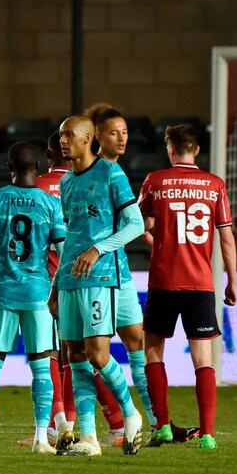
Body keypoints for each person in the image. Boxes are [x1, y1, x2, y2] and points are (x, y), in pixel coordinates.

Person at [48, 116, 144, 456]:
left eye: (69, 135)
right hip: (71, 279)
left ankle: (131, 416)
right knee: (75, 355)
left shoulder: (110, 173)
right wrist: (56, 285)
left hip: (101, 278)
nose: (63, 140)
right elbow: (72, 238)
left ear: (88, 138)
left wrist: (98, 248)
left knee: (98, 354)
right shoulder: (68, 183)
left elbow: (135, 224)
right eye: (61, 135)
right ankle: (88, 438)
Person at [138, 124, 237, 450]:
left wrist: (156, 240)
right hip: (199, 284)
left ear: (170, 148)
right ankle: (207, 434)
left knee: (152, 351)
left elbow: (136, 222)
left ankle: (164, 426)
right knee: (203, 359)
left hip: (164, 280)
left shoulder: (155, 181)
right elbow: (225, 237)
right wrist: (232, 280)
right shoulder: (214, 185)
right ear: (196, 150)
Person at [0, 141, 66, 455]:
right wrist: (59, 288)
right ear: (39, 168)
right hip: (39, 294)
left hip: (3, 291)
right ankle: (42, 437)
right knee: (42, 366)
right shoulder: (49, 204)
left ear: (8, 167)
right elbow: (63, 250)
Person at [82, 103, 156, 447]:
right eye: (114, 132)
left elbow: (126, 223)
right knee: (93, 351)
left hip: (121, 273)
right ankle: (118, 418)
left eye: (125, 132)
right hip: (95, 278)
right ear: (97, 136)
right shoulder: (91, 174)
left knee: (135, 343)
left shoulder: (116, 174)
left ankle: (155, 419)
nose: (122, 138)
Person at [31, 133, 76, 446]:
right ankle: (71, 421)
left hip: (43, 281)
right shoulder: (85, 183)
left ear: (49, 155)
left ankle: (56, 422)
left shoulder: (36, 187)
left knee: (48, 352)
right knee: (76, 352)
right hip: (80, 277)